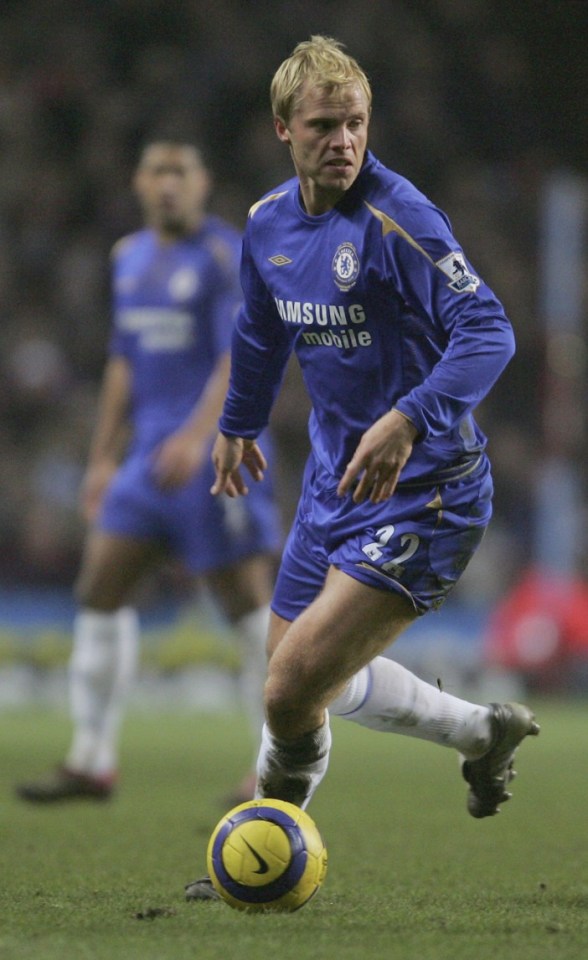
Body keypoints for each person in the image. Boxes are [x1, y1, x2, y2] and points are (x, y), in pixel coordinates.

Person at [185, 36, 539, 901]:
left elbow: (490, 331)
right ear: (283, 129)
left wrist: (410, 418)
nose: (343, 141)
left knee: (291, 684)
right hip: (334, 486)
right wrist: (237, 421)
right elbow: (263, 329)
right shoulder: (269, 223)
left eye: (355, 124)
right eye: (323, 126)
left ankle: (268, 842)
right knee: (296, 684)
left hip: (429, 490)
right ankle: (479, 733)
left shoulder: (397, 219)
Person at [16, 140, 282, 805]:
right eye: (158, 172)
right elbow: (122, 365)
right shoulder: (128, 258)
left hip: (214, 454)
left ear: (203, 182)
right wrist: (103, 458)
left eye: (181, 173)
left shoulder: (226, 256)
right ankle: (91, 759)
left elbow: (240, 356)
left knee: (247, 605)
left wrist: (201, 437)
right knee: (99, 588)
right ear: (139, 182)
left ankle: (273, 763)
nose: (169, 185)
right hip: (145, 460)